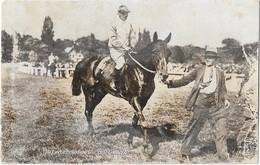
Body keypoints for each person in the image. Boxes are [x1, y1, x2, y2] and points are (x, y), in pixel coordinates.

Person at [163, 47, 231, 162]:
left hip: (216, 104)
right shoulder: (199, 69)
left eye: (211, 57)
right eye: (207, 57)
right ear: (205, 58)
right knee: (194, 128)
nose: (209, 59)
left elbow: (223, 88)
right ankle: (184, 153)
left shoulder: (220, 72)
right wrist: (170, 83)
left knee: (221, 129)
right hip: (201, 103)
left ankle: (223, 157)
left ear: (215, 59)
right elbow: (185, 80)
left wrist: (226, 99)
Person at [108, 5, 137, 71]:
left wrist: (132, 45)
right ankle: (115, 80)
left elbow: (133, 36)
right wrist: (124, 46)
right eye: (124, 13)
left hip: (127, 50)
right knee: (121, 63)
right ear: (119, 14)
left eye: (127, 13)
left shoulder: (129, 24)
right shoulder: (113, 24)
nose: (126, 15)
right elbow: (113, 40)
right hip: (116, 50)